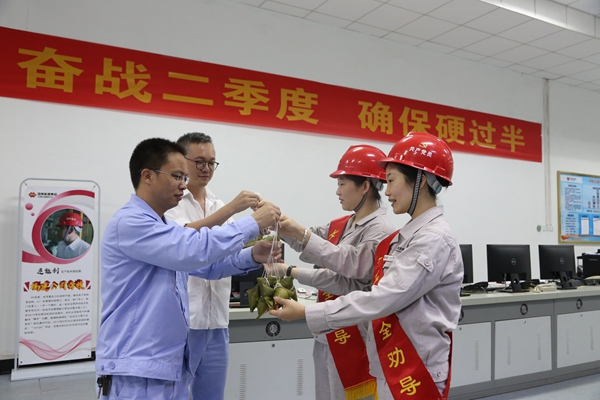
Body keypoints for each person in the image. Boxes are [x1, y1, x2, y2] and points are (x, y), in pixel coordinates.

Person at [270, 132, 463, 400]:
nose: (387, 191)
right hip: (394, 360)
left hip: (415, 365)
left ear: (420, 180)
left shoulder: (432, 239)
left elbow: (382, 297)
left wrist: (308, 312)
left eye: (391, 180)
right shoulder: (409, 235)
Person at [95, 138, 281, 400]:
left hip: (168, 362)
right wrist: (252, 223)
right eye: (177, 176)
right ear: (147, 176)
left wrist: (252, 255)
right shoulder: (130, 222)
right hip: (136, 367)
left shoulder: (163, 226)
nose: (184, 184)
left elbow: (207, 266)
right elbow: (193, 249)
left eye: (184, 177)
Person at [269, 144, 396, 400]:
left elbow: (350, 266)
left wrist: (293, 263)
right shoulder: (344, 223)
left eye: (342, 183)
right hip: (328, 330)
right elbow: (311, 240)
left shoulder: (380, 229)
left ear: (365, 186)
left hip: (354, 333)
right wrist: (277, 224)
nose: (337, 191)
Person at [164, 132, 260, 400]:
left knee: (212, 395)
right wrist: (233, 210)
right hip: (185, 322)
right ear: (182, 161)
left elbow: (227, 259)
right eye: (199, 162)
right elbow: (186, 241)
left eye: (211, 163)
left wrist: (256, 252)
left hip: (217, 320)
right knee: (174, 394)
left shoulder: (218, 204)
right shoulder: (171, 203)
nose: (206, 168)